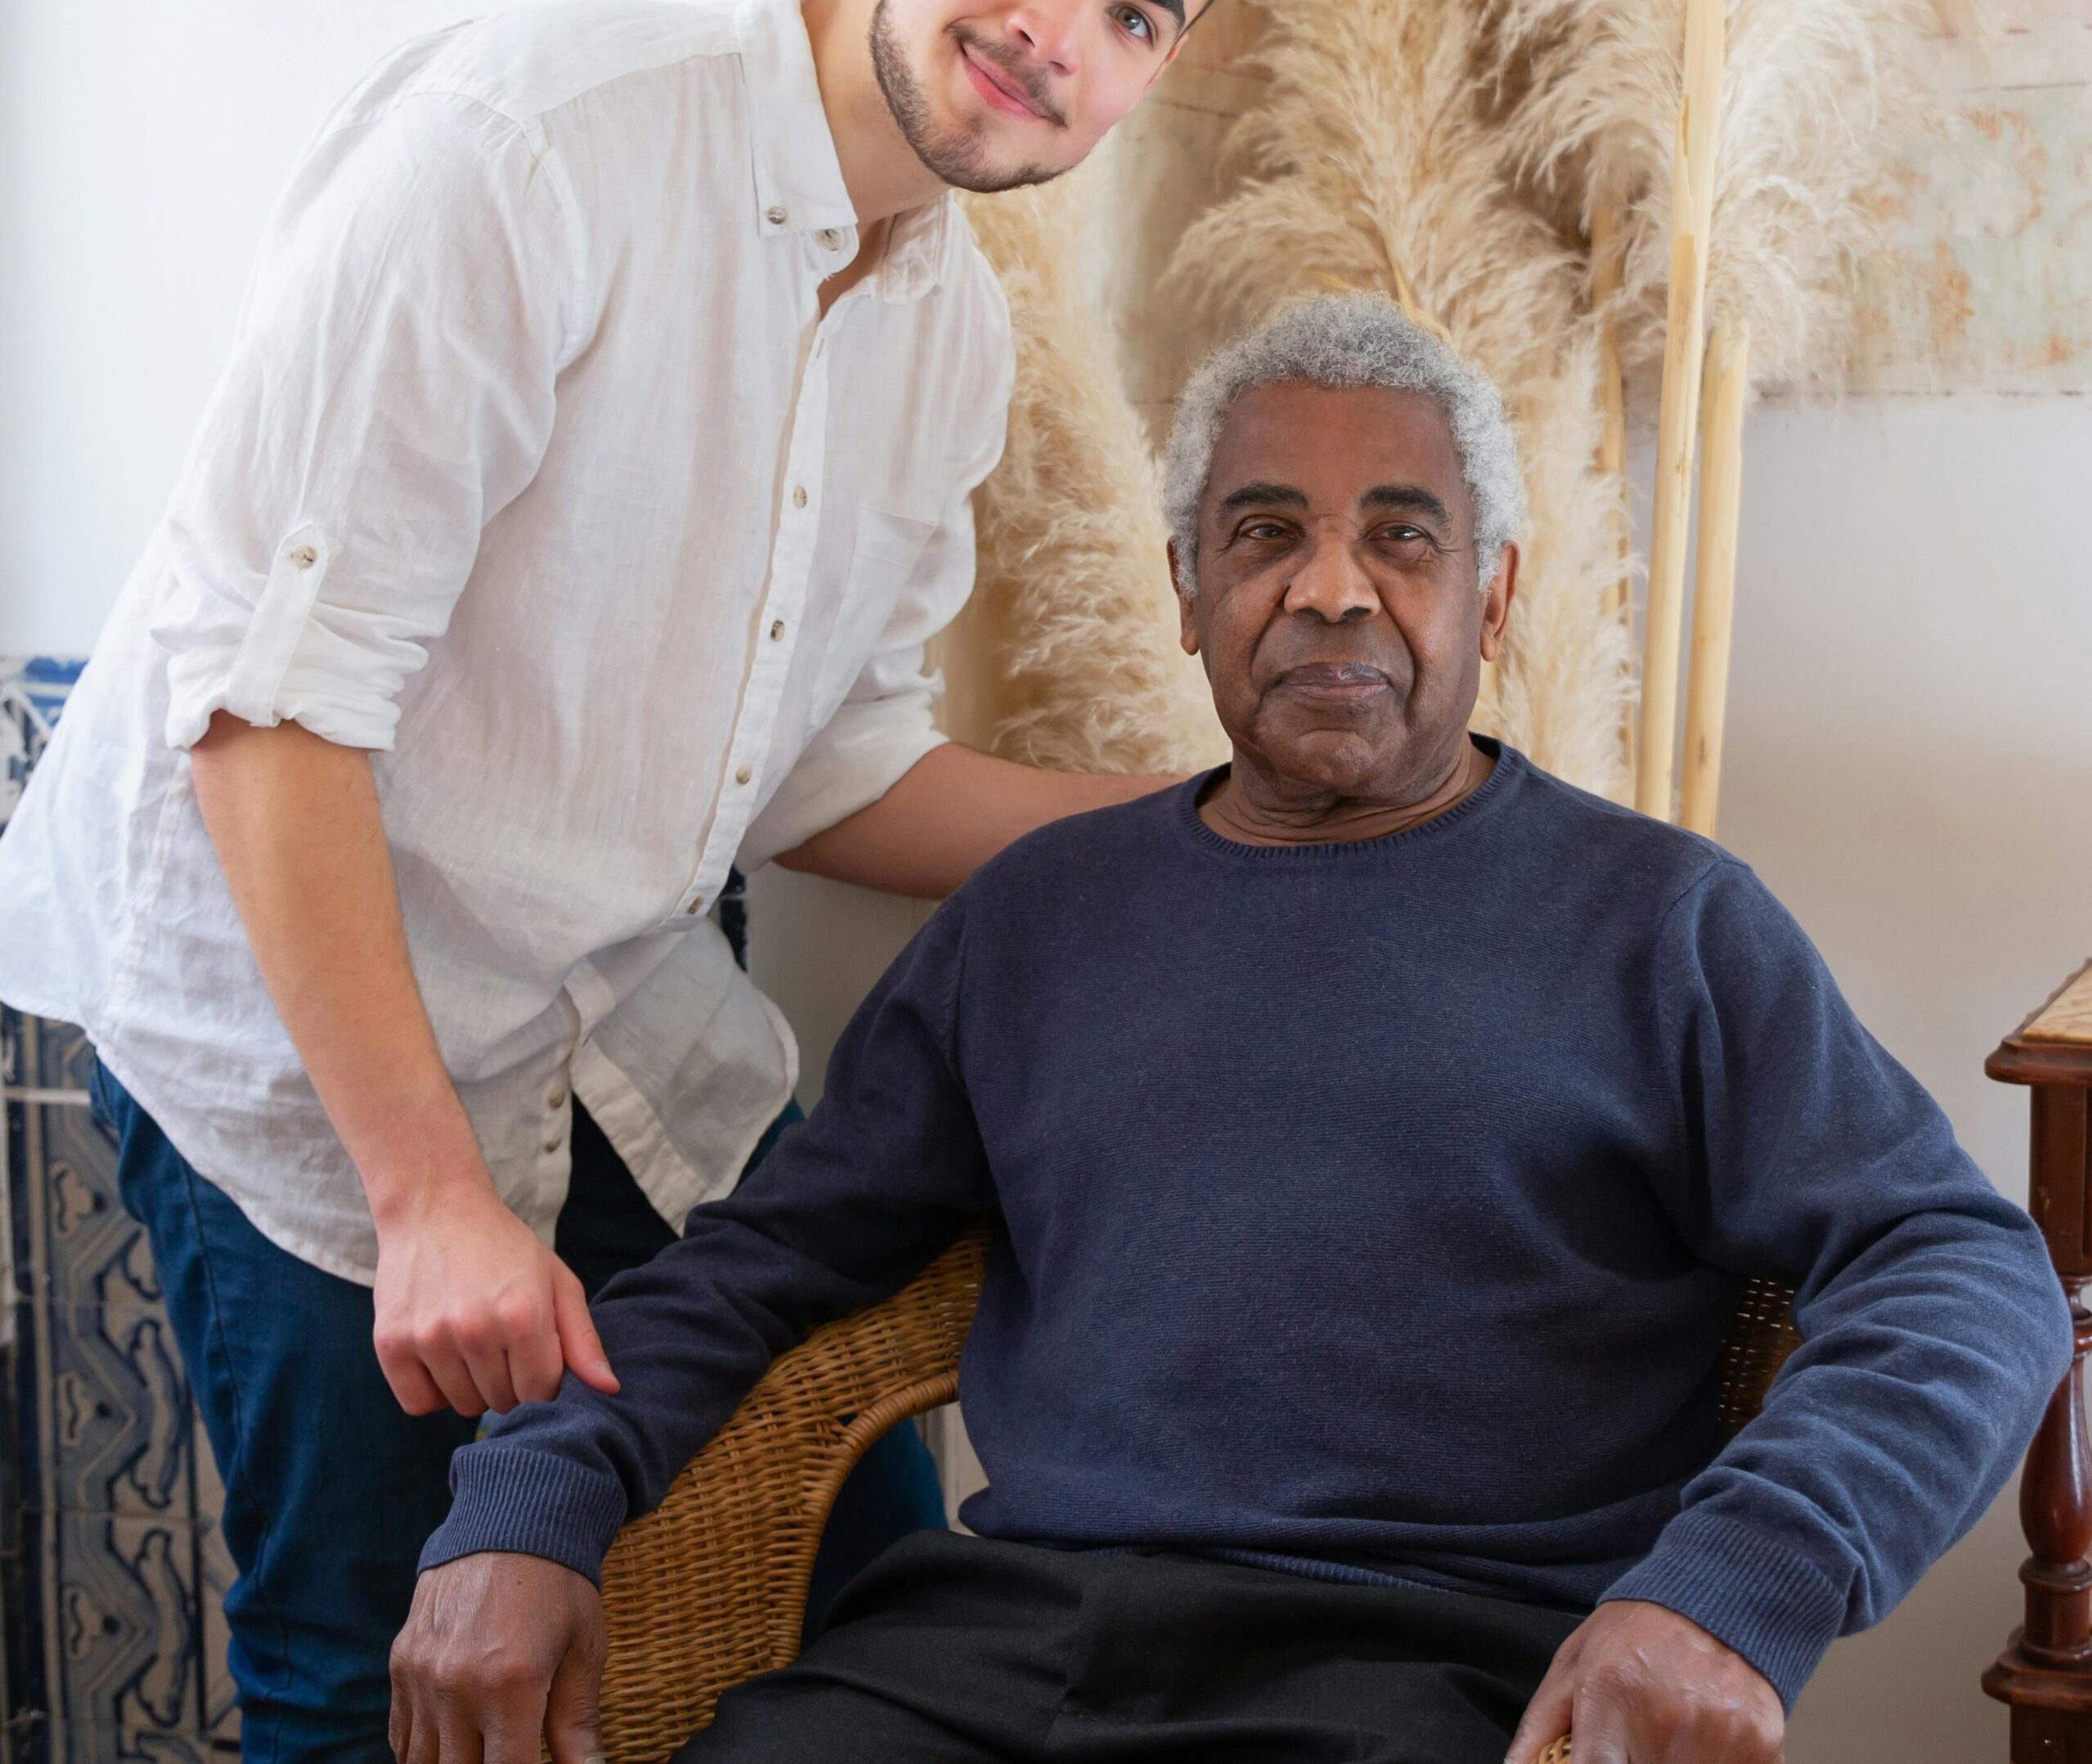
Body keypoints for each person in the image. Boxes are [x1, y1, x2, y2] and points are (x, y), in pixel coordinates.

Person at [0, 0, 1275, 1764]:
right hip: (298, 1026)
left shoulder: (947, 334)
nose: (1061, 32)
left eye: (1135, 10)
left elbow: (832, 768)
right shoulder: (540, 146)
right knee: (375, 1658)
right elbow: (265, 717)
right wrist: (427, 1199)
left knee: (861, 1564)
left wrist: (1221, 822)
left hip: (604, 1017)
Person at [390, 294, 2070, 1764]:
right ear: (1186, 588)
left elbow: (1956, 1264)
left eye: (1400, 535)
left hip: (1420, 1671)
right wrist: (533, 1497)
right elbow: (761, 1266)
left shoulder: (1662, 924)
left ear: (1493, 592)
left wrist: (1731, 1587)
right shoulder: (1035, 918)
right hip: (987, 1649)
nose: (1330, 589)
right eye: (1263, 532)